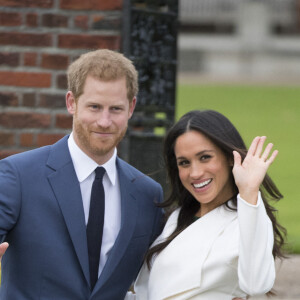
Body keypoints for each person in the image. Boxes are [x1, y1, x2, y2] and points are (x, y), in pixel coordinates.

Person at [0, 49, 164, 300]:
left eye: (116, 109)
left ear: (131, 107)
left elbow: (160, 276)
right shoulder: (18, 176)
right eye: (95, 107)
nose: (105, 121)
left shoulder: (147, 194)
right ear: (71, 102)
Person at [126, 110, 286, 300]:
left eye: (205, 157)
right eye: (184, 162)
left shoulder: (247, 218)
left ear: (229, 157)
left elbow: (255, 285)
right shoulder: (177, 217)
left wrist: (249, 192)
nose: (195, 173)